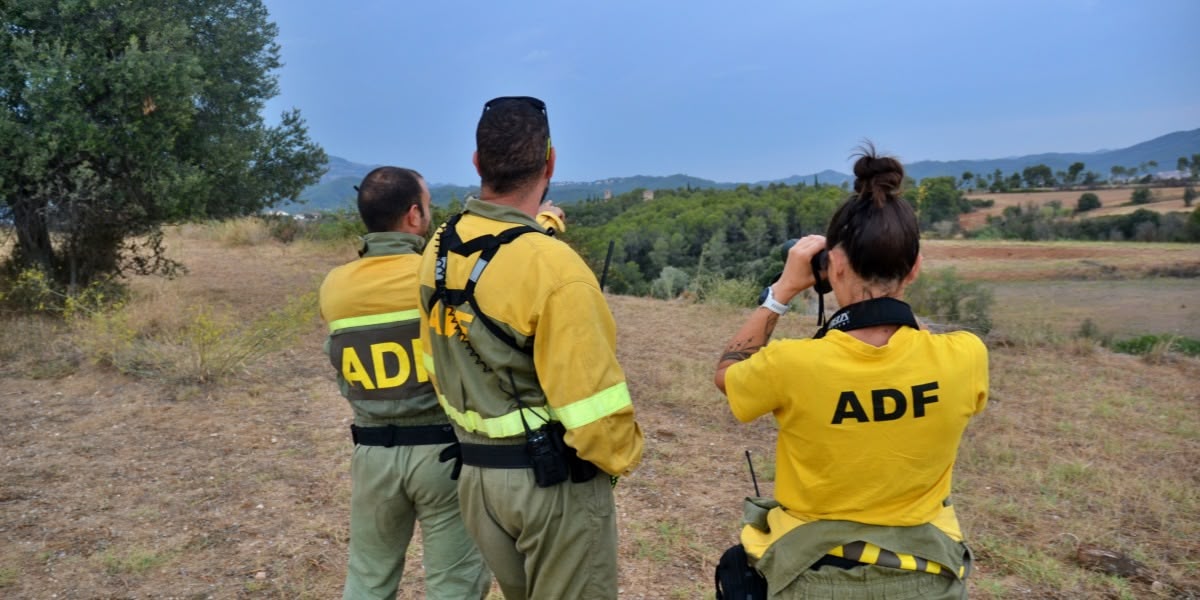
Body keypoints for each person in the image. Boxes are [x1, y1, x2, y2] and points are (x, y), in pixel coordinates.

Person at [713, 146, 989, 598]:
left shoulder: (793, 364)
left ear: (833, 266)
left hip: (813, 578)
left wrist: (781, 291)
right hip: (930, 578)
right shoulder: (966, 356)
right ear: (915, 268)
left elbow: (727, 373)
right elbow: (909, 347)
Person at [417, 96, 644, 600]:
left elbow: (435, 357)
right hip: (551, 486)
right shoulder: (557, 271)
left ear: (477, 163)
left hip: (477, 480)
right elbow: (594, 411)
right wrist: (622, 458)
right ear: (551, 161)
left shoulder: (440, 245)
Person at [319, 167, 490, 600]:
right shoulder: (437, 277)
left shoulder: (334, 287)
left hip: (372, 454)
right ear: (414, 215)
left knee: (368, 580)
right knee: (454, 584)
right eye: (428, 206)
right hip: (443, 455)